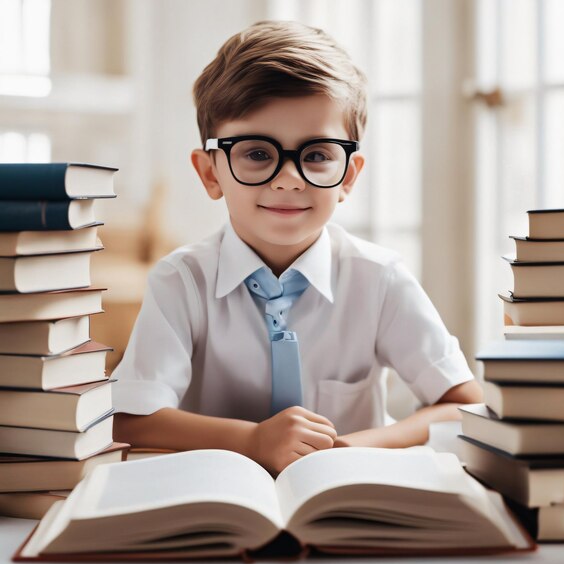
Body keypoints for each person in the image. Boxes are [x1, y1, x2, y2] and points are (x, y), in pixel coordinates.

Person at [112, 20, 482, 477]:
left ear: (348, 175)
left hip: (348, 500)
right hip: (221, 504)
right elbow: (131, 418)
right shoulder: (181, 281)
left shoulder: (379, 278)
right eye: (257, 153)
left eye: (316, 155)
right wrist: (252, 440)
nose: (288, 178)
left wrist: (352, 447)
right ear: (210, 173)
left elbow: (463, 404)